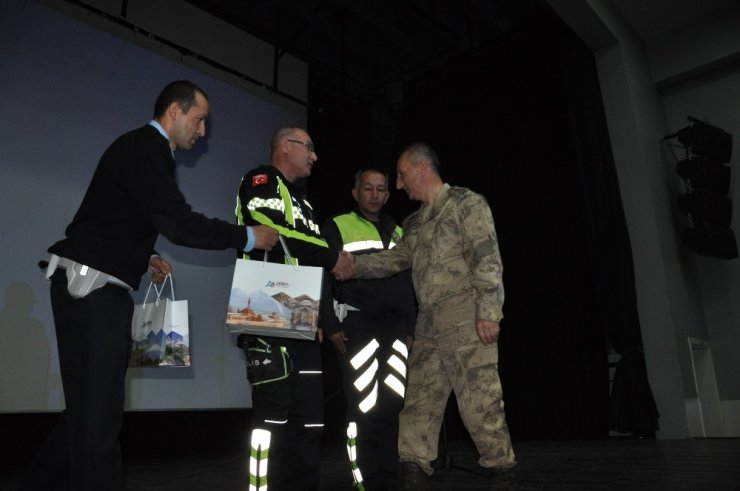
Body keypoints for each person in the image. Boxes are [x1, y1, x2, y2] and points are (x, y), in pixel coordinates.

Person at [19, 80, 279, 491]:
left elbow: (116, 218)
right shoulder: (147, 148)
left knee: (88, 412)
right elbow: (178, 222)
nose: (202, 132)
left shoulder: (146, 151)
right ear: (174, 111)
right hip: (91, 291)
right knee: (99, 416)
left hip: (98, 288)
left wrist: (146, 257)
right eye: (199, 120)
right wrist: (247, 236)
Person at [334, 142, 517, 490]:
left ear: (421, 168)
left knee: (481, 404)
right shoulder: (414, 224)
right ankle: (414, 472)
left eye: (401, 175)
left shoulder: (467, 203)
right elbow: (393, 260)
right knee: (418, 403)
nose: (399, 185)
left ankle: (502, 472)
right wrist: (353, 265)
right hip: (429, 324)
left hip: (467, 317)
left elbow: (487, 259)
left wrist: (489, 313)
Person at [235, 127, 351, 491]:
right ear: (286, 146)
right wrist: (332, 256)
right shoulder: (261, 180)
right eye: (310, 148)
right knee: (272, 424)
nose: (315, 157)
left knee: (310, 422)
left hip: (301, 318)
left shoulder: (305, 202)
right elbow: (276, 232)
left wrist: (316, 312)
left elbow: (307, 253)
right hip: (266, 313)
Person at [321, 169, 416, 490]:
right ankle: (363, 479)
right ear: (355, 192)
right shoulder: (337, 225)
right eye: (368, 189)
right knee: (364, 404)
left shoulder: (399, 231)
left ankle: (388, 478)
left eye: (381, 190)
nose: (375, 195)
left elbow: (409, 282)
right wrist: (330, 323)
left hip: (396, 328)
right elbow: (322, 276)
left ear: (388, 195)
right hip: (358, 324)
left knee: (392, 403)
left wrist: (411, 326)